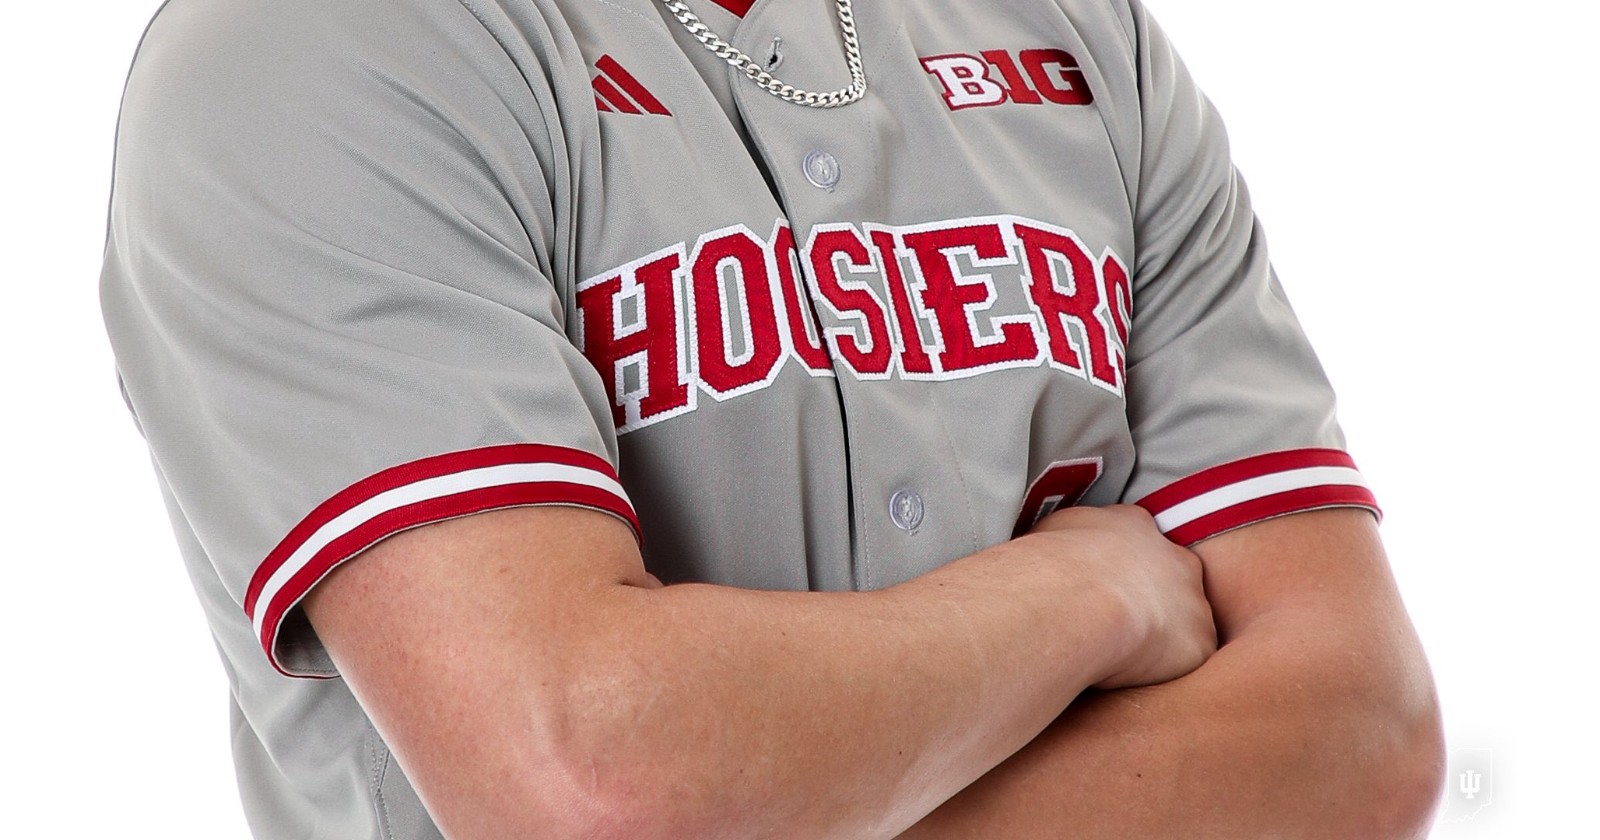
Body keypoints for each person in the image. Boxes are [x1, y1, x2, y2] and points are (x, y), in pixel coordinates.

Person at [100, 0, 1444, 836]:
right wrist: (1087, 594)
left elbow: (1365, 739)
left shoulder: (1086, 35)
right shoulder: (312, 46)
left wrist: (774, 799)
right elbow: (590, 789)